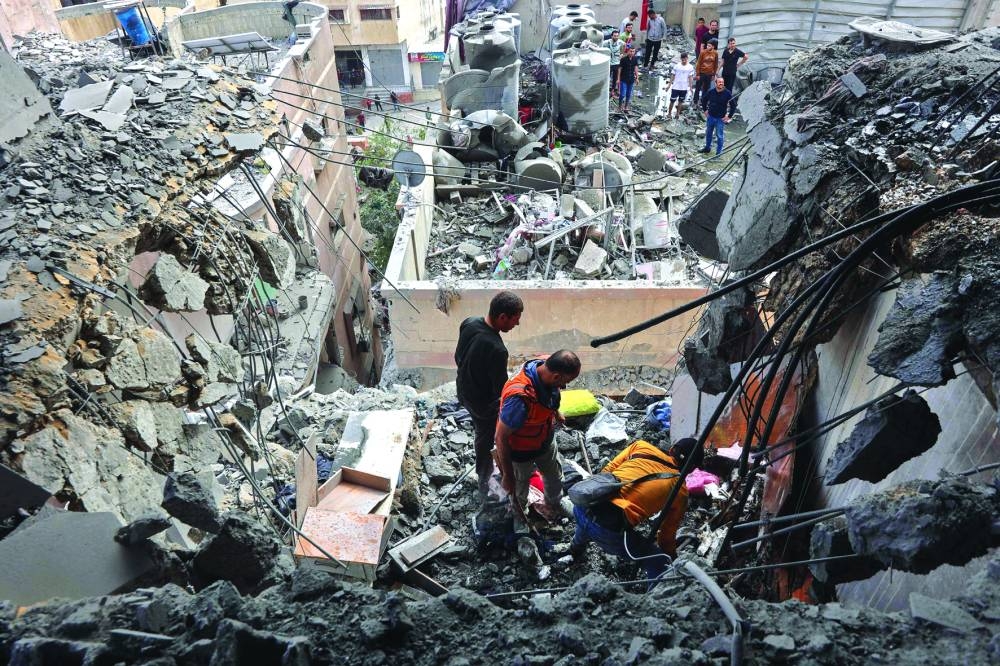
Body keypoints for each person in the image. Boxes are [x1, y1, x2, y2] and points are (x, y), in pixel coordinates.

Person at [570, 438, 701, 587]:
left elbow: (607, 471)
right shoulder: (680, 491)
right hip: (608, 532)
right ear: (691, 468)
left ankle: (575, 548)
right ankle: (652, 601)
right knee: (660, 561)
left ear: (672, 449)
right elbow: (665, 538)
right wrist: (672, 557)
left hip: (581, 505)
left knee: (593, 512)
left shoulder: (641, 446)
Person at [495, 350, 581, 530]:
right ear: (556, 376)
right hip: (520, 451)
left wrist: (555, 412)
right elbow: (500, 437)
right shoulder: (519, 398)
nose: (564, 387)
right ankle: (520, 514)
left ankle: (555, 503)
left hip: (545, 440)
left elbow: (550, 396)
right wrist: (508, 476)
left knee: (554, 477)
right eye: (565, 382)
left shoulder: (546, 366)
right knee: (519, 485)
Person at [455, 291, 524, 501]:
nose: (517, 324)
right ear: (502, 316)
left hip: (464, 391)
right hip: (483, 404)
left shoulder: (469, 323)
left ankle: (487, 474)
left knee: (481, 434)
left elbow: (459, 356)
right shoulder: (497, 349)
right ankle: (485, 482)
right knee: (486, 440)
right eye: (515, 319)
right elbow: (502, 391)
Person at [700, 77, 732, 156]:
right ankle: (707, 148)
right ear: (716, 83)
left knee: (719, 136)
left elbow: (733, 105)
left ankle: (718, 153)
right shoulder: (711, 92)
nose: (721, 83)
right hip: (710, 117)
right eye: (719, 82)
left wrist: (729, 116)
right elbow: (703, 100)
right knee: (708, 133)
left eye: (722, 82)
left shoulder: (727, 93)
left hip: (720, 119)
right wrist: (705, 110)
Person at [719, 37, 748, 116]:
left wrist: (739, 64)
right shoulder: (725, 51)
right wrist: (717, 70)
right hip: (724, 72)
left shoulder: (737, 51)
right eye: (731, 43)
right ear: (728, 44)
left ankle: (727, 103)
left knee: (729, 88)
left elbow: (746, 56)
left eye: (733, 43)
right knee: (722, 87)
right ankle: (722, 101)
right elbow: (722, 61)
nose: (732, 45)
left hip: (732, 73)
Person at [667, 52, 695, 120]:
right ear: (681, 59)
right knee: (672, 100)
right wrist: (669, 85)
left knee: (680, 101)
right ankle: (669, 113)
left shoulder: (690, 67)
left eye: (685, 59)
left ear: (687, 58)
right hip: (676, 87)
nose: (684, 61)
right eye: (682, 60)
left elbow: (690, 77)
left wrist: (691, 87)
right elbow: (673, 75)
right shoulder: (677, 66)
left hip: (684, 87)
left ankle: (677, 114)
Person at [692, 38, 718, 111]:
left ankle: (703, 102)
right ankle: (695, 102)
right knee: (698, 88)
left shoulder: (715, 53)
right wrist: (697, 74)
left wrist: (714, 74)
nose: (708, 47)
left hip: (709, 74)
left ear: (713, 46)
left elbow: (715, 64)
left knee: (706, 89)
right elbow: (698, 63)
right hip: (701, 73)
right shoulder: (703, 52)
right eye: (707, 45)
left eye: (709, 46)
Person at [616, 45, 639, 114]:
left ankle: (626, 107)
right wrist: (618, 79)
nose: (632, 53)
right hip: (623, 79)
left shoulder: (635, 59)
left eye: (633, 51)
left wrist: (637, 78)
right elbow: (619, 69)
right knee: (622, 94)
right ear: (628, 51)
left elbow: (636, 68)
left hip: (631, 79)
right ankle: (619, 106)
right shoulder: (623, 59)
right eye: (630, 51)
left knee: (629, 94)